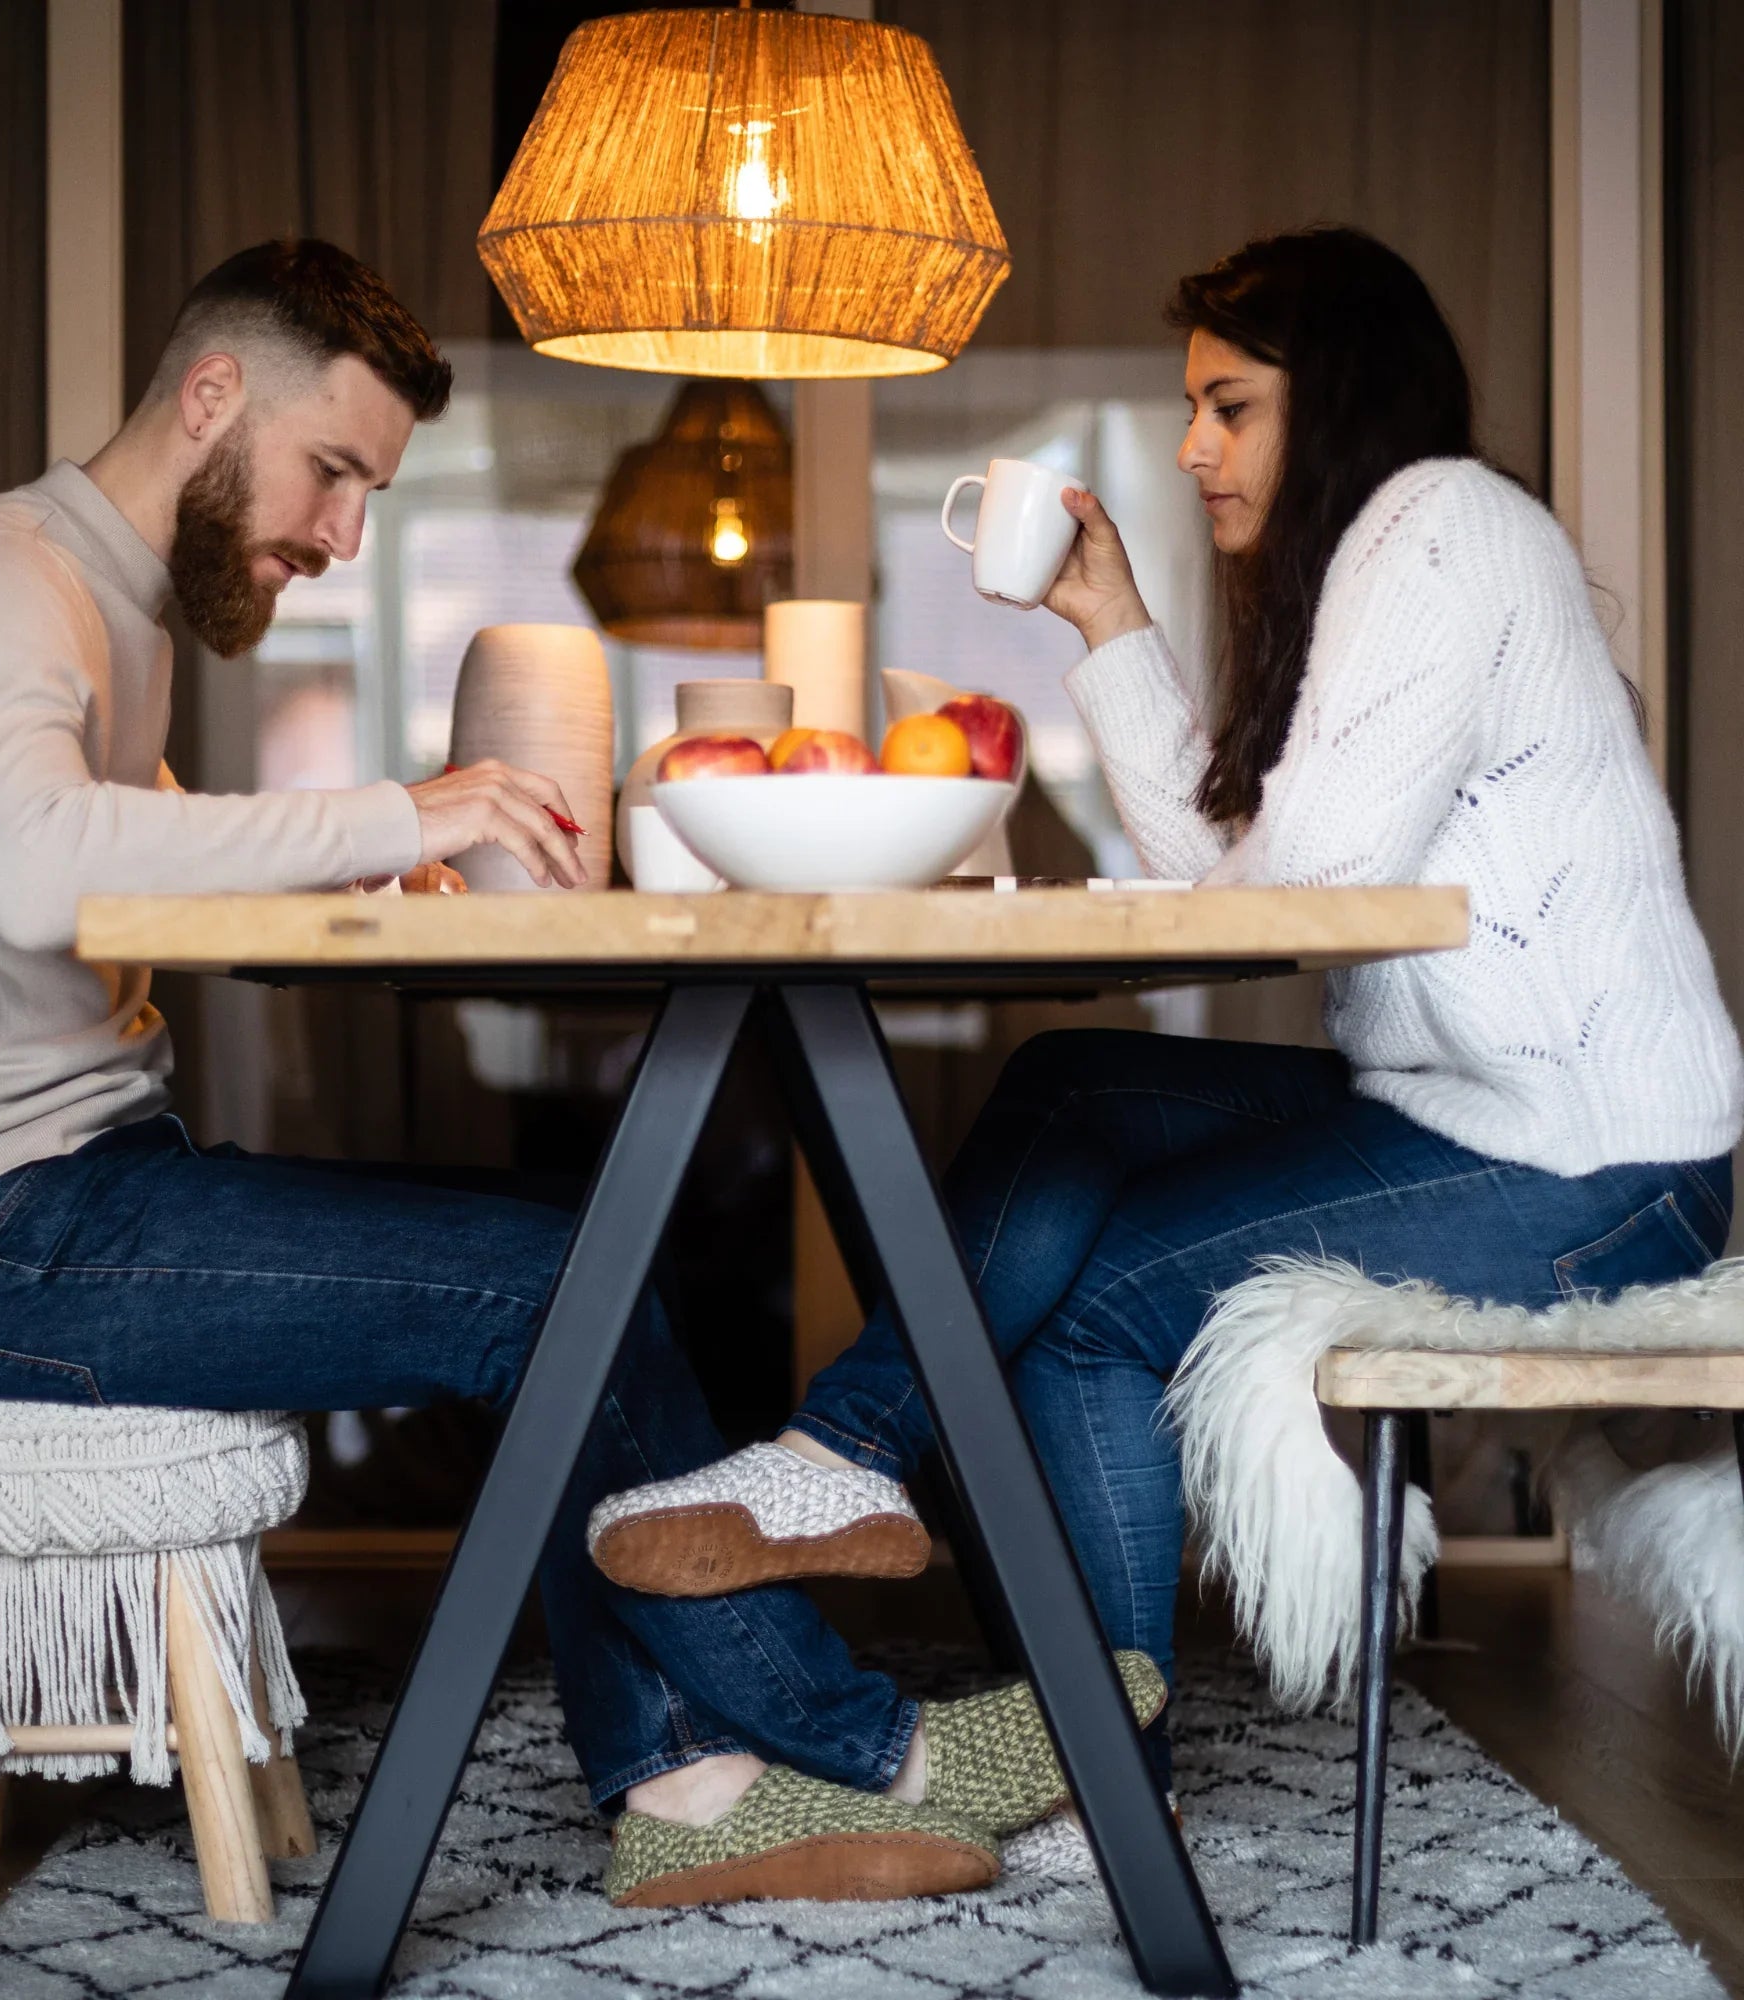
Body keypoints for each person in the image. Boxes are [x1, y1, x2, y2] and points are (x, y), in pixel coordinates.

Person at [0, 236, 1069, 1908]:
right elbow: (42, 872)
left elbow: (130, 857)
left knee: (592, 1229)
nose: (341, 533)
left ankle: (692, 1769)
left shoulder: (100, 603)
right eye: (333, 473)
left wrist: (373, 869)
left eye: (367, 492)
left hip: (70, 1195)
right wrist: (415, 807)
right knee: (556, 1283)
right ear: (212, 393)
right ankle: (834, 1748)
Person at [587, 226, 1744, 1803]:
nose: (1195, 447)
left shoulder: (1443, 525)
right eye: (1195, 409)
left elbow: (1303, 881)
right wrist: (1108, 620)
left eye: (1231, 407)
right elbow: (1239, 883)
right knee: (1069, 1087)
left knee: (1097, 1300)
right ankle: (841, 1458)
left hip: (1598, 1171)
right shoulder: (1369, 570)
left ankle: (1088, 1758)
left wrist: (1185, 795)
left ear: (1333, 395)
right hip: (1468, 1108)